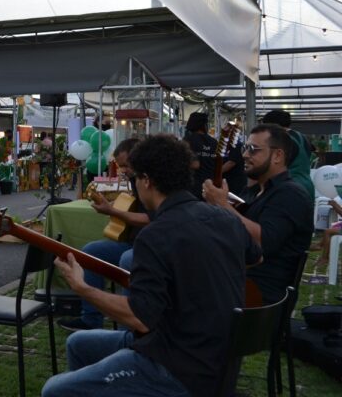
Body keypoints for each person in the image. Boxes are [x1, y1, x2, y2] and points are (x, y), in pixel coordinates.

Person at [42, 135, 261, 397]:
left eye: (135, 177)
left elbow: (139, 318)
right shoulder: (224, 218)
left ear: (146, 180)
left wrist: (82, 287)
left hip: (180, 367)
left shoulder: (156, 235)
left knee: (54, 390)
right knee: (79, 343)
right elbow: (256, 257)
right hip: (218, 358)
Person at [203, 123, 314, 304]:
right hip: (237, 282)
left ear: (277, 156)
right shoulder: (256, 191)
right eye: (245, 148)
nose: (245, 155)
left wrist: (222, 204)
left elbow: (262, 242)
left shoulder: (290, 194)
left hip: (258, 293)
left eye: (253, 149)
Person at [57, 138, 151, 331]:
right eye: (120, 166)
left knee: (127, 259)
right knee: (90, 252)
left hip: (150, 246)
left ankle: (128, 330)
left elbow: (151, 218)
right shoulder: (135, 180)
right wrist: (113, 207)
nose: (123, 170)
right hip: (132, 242)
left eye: (126, 165)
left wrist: (114, 211)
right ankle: (91, 320)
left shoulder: (153, 180)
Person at [261, 110, 314, 202]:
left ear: (272, 125)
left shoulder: (282, 139)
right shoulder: (302, 137)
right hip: (307, 184)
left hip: (290, 187)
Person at [183, 111, 217, 200]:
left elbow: (195, 164)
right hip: (211, 186)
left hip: (193, 188)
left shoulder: (188, 140)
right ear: (204, 125)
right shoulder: (214, 142)